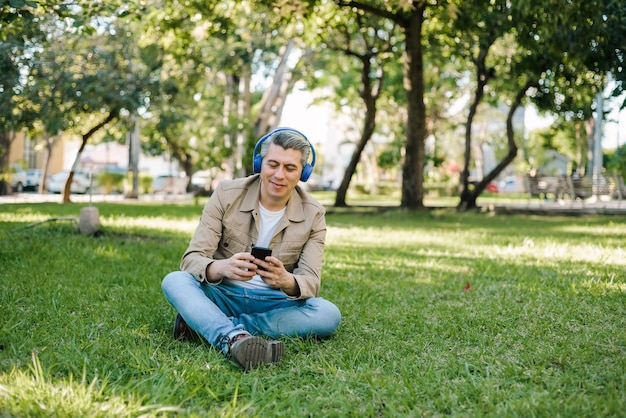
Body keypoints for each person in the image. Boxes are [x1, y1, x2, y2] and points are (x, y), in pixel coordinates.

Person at [161, 127, 341, 371]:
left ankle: (208, 324)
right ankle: (233, 339)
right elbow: (191, 260)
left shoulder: (314, 213)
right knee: (175, 280)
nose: (279, 175)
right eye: (273, 164)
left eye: (290, 168)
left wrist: (285, 280)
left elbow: (311, 282)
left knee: (328, 314)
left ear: (303, 173)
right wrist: (222, 267)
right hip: (222, 295)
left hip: (274, 303)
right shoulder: (226, 194)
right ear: (260, 163)